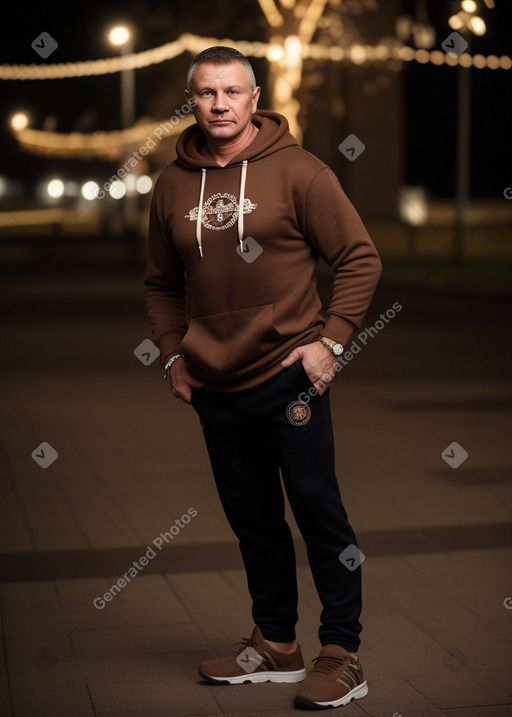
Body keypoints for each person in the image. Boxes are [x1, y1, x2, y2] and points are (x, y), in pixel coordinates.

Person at [144, 45, 381, 710]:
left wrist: (330, 342)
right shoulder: (170, 184)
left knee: (318, 512)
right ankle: (277, 643)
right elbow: (162, 283)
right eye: (205, 93)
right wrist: (172, 353)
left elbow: (360, 258)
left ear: (254, 99)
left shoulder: (300, 172)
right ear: (190, 101)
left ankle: (342, 651)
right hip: (214, 385)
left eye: (232, 92)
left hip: (290, 377)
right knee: (253, 519)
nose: (219, 104)